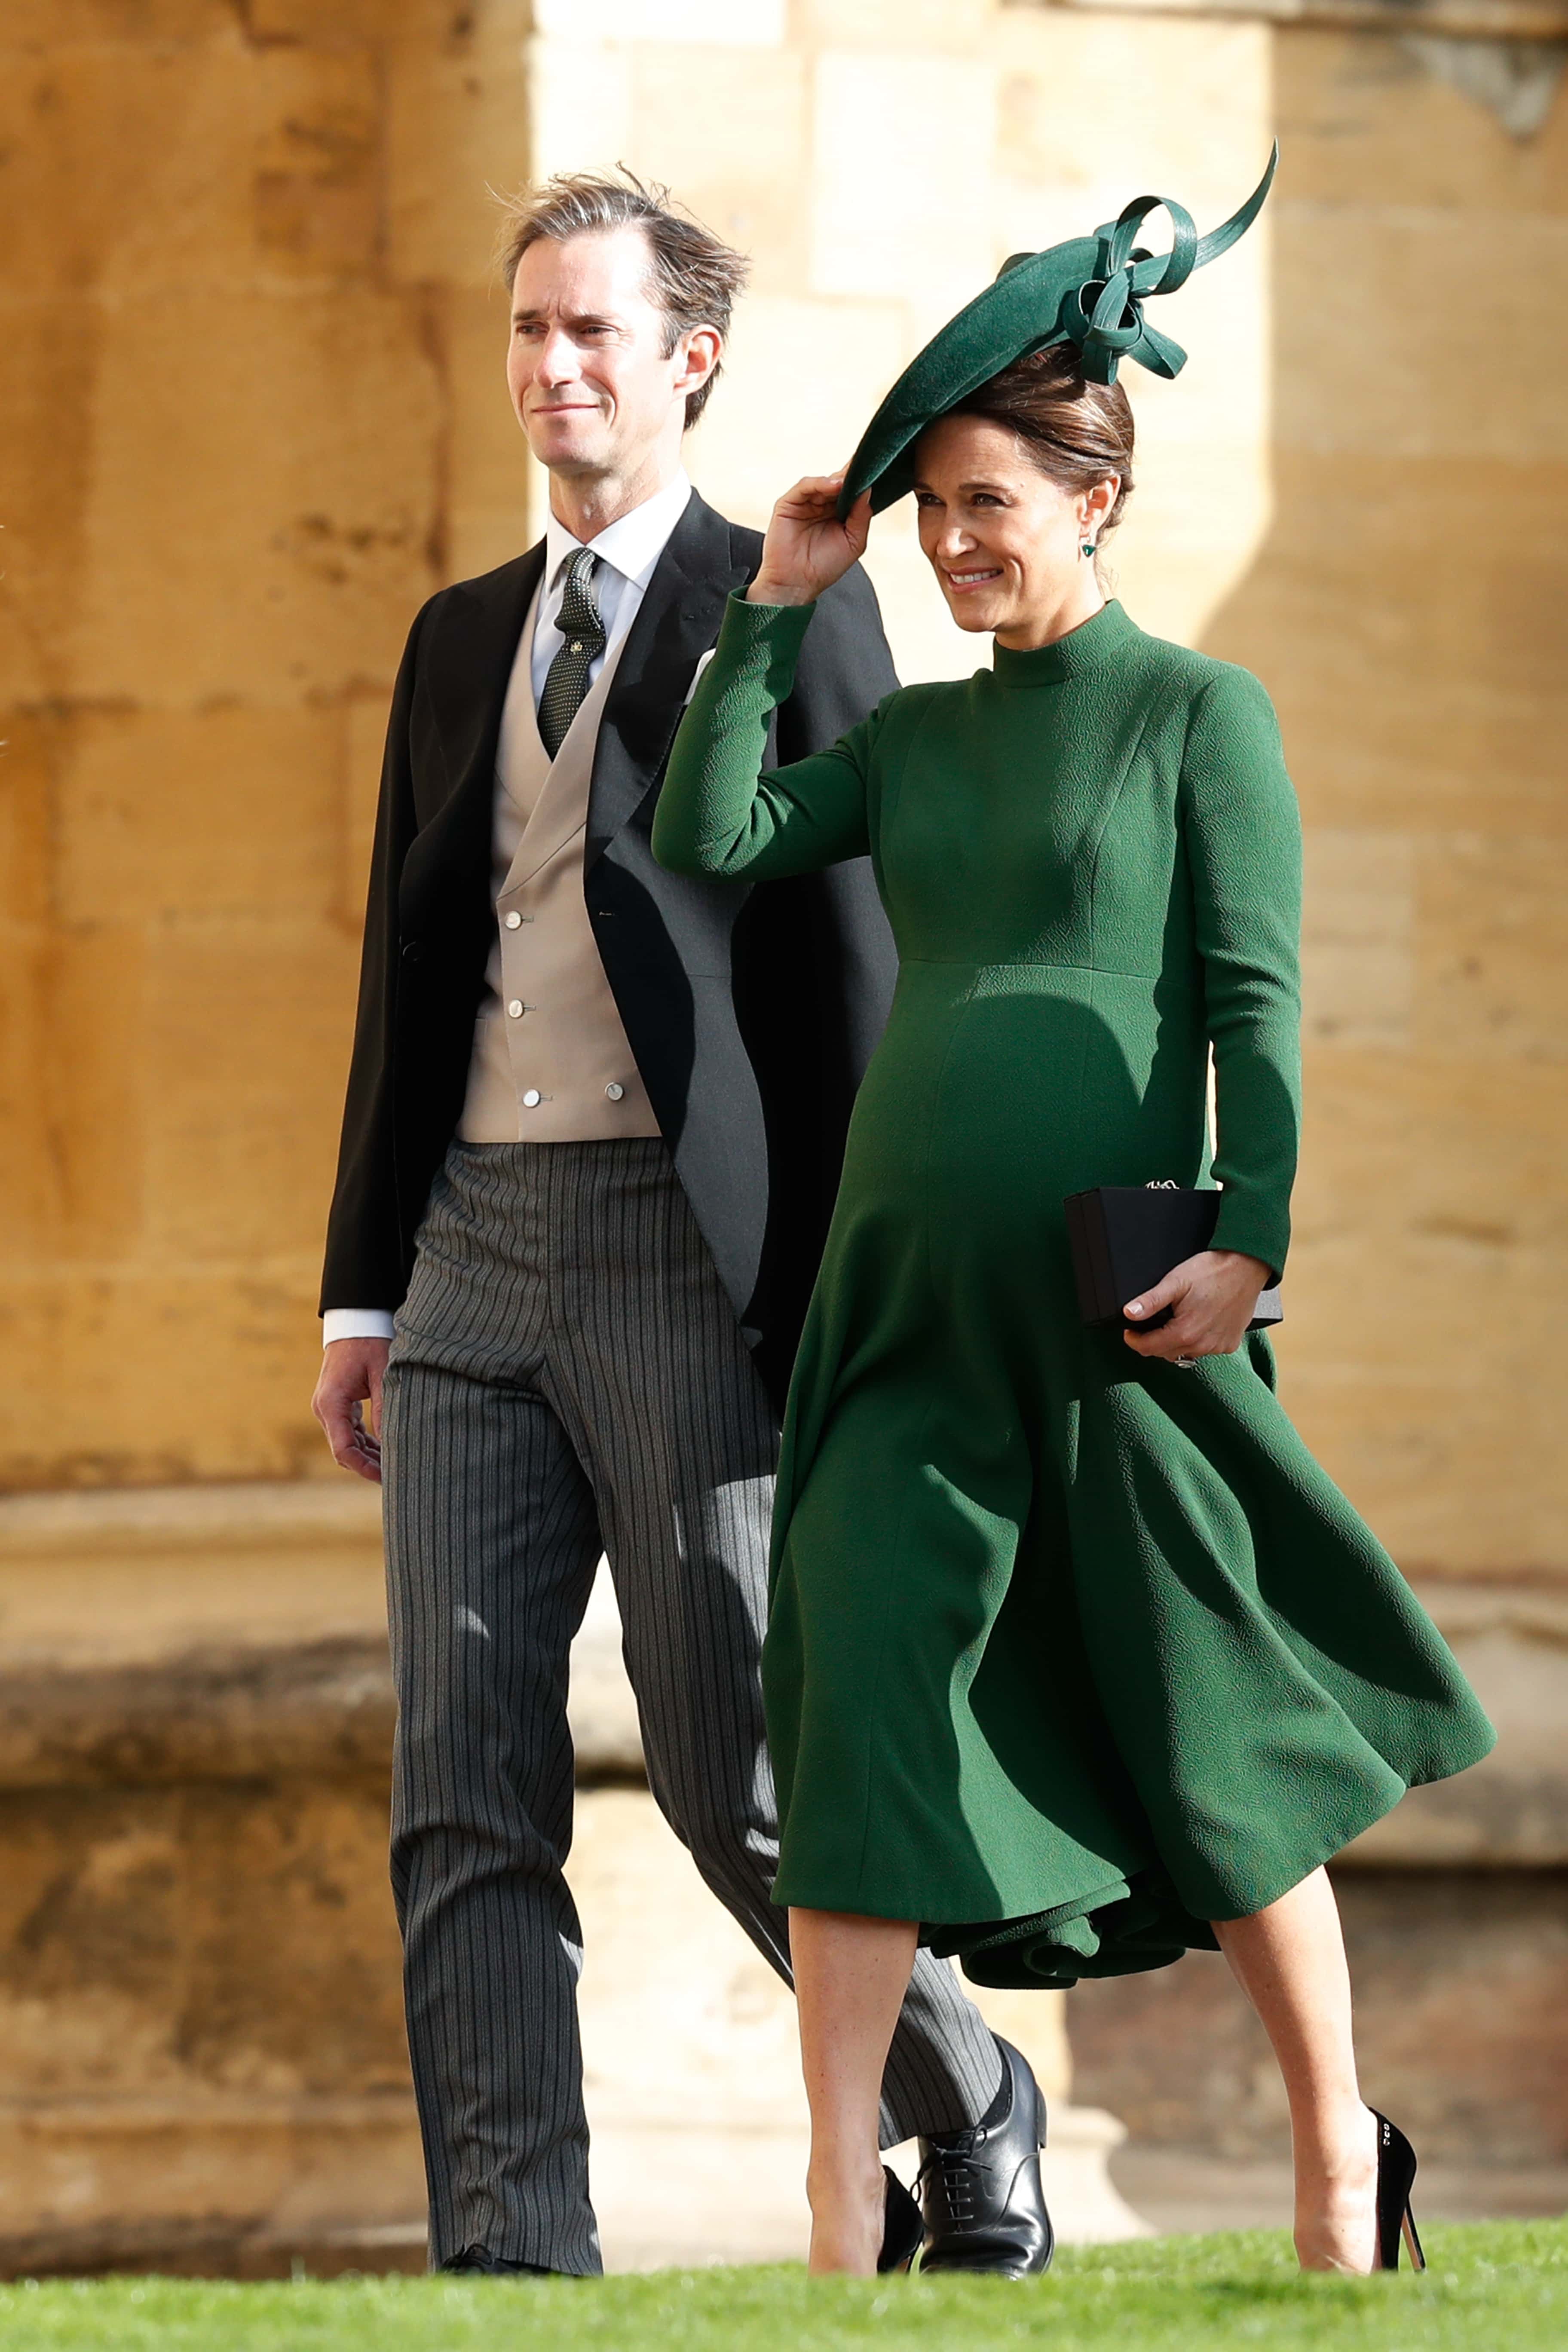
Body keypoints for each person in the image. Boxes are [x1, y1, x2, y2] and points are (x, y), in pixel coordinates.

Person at [653, 154, 1495, 2278]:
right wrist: (783, 599)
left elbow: (1255, 1005)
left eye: (987, 505)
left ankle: (1337, 2163)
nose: (950, 543)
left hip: (1122, 1303)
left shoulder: (1201, 715)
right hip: (900, 1304)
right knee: (857, 1708)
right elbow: (714, 826)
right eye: (930, 508)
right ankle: (837, 2202)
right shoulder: (917, 739)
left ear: (1096, 498)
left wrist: (1254, 1239)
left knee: (1211, 1728)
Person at [312, 170, 1052, 2279]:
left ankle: (967, 2095)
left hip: (689, 1267)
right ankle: (513, 2268)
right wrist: (360, 1293)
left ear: (688, 360)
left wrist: (852, 1309)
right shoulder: (456, 637)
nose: (549, 365)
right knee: (461, 1783)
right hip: (469, 1260)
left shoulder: (788, 602)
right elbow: (403, 982)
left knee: (740, 1785)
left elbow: (855, 978)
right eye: (526, 328)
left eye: (592, 332)